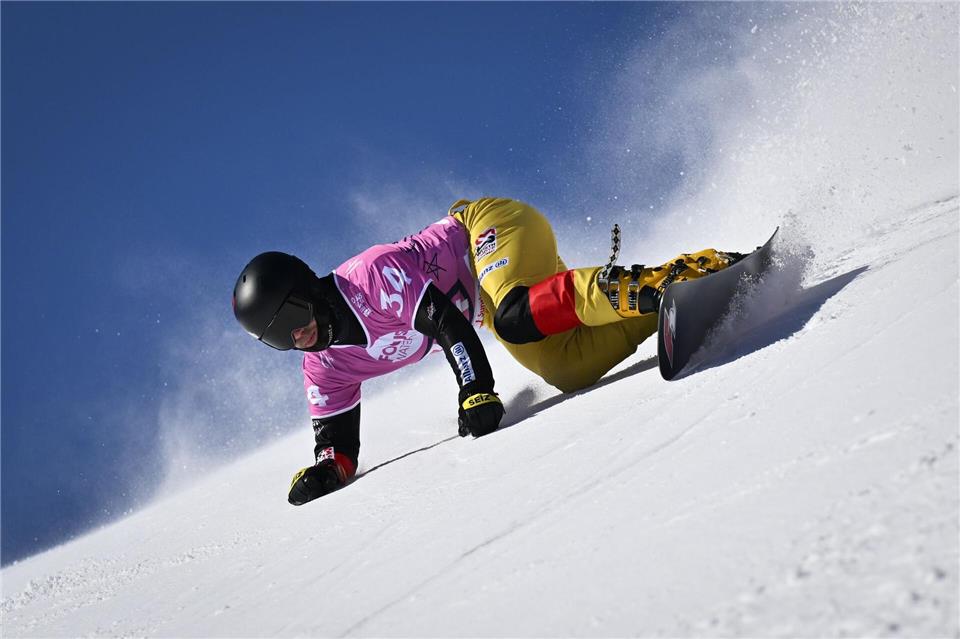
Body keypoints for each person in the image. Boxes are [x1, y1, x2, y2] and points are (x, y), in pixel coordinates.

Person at [232, 197, 742, 505]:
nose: (299, 338)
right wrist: (328, 470)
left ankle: (661, 281)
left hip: (487, 230)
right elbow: (339, 446)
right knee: (569, 367)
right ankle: (662, 308)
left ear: (308, 290)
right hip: (492, 300)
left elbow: (444, 321)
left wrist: (475, 389)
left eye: (295, 320)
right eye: (280, 338)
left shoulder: (367, 280)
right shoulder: (324, 367)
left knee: (515, 318)